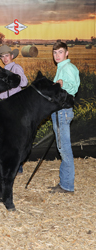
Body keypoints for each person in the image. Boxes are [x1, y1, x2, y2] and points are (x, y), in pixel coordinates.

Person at [48, 41, 80, 194]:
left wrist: (63, 83)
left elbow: (73, 86)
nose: (57, 55)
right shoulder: (61, 68)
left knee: (64, 149)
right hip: (60, 111)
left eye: (60, 52)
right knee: (62, 147)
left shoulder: (68, 68)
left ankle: (67, 186)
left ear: (67, 53)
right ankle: (64, 183)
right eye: (55, 53)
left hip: (62, 112)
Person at [0, 45, 28, 174]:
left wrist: (14, 79)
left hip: (15, 105)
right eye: (2, 56)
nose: (4, 58)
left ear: (12, 56)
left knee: (15, 137)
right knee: (6, 136)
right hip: (4, 104)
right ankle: (7, 163)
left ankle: (17, 166)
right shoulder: (2, 71)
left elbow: (24, 83)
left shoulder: (16, 68)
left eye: (6, 56)